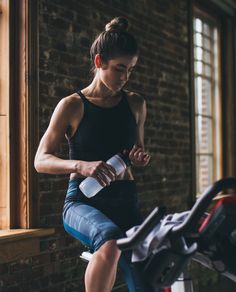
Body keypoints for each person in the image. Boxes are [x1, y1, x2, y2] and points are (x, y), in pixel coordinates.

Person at [34, 16, 153, 292]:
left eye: (130, 70)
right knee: (109, 241)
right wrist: (82, 165)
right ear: (99, 62)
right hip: (82, 202)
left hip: (126, 200)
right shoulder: (71, 106)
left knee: (146, 280)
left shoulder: (136, 103)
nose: (125, 77)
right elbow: (41, 159)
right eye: (119, 69)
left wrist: (138, 158)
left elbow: (137, 150)